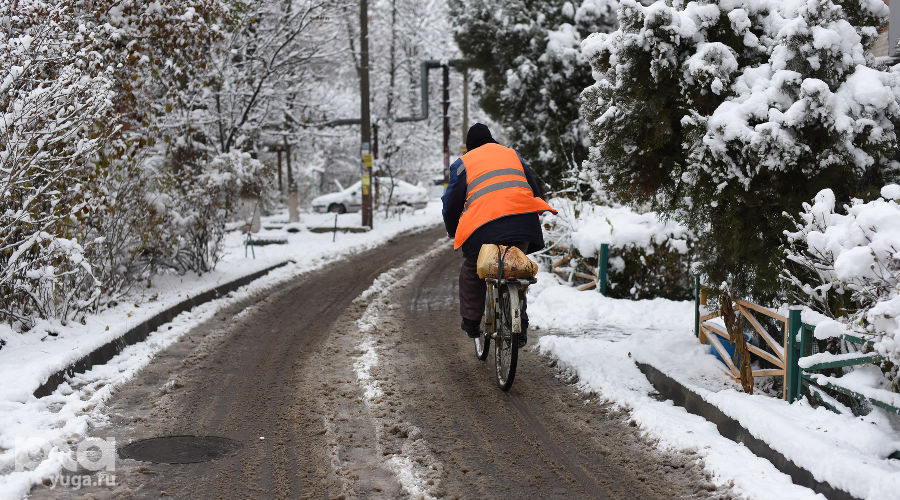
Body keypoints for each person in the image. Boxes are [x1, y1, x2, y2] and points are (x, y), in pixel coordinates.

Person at [442, 123, 557, 346]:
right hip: (523, 222)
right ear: (492, 140)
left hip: (483, 228)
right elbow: (534, 190)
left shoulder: (463, 163)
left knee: (472, 269)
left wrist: (452, 229)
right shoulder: (513, 155)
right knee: (515, 268)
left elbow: (451, 203)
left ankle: (472, 321)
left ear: (469, 147)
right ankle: (519, 325)